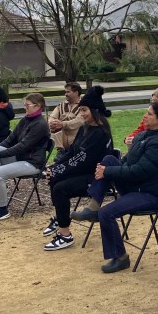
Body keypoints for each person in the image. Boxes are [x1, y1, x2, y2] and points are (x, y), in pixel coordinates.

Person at [77, 102, 158, 272]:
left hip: (149, 194)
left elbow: (139, 171)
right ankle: (93, 207)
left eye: (149, 114)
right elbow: (127, 161)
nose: (145, 116)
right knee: (110, 159)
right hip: (135, 187)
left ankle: (121, 258)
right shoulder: (143, 136)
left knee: (106, 213)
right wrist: (107, 169)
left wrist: (108, 172)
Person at [42, 87, 114, 251]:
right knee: (55, 178)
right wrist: (54, 168)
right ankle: (61, 219)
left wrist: (58, 170)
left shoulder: (101, 133)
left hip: (97, 179)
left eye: (84, 110)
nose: (82, 113)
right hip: (83, 171)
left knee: (60, 188)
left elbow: (83, 160)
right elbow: (72, 152)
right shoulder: (84, 128)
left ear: (95, 111)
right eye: (81, 110)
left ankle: (65, 235)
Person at [0, 93, 51, 221]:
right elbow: (10, 139)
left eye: (27, 105)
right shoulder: (26, 119)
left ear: (38, 106)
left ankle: (3, 209)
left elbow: (23, 146)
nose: (25, 107)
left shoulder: (40, 124)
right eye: (25, 104)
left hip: (32, 163)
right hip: (21, 157)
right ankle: (0, 188)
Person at [48, 82, 83, 151]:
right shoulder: (61, 105)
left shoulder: (83, 106)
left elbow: (79, 121)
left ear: (76, 93)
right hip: (62, 140)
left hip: (77, 139)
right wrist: (52, 122)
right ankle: (60, 150)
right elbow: (52, 117)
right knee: (53, 127)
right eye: (65, 92)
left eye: (68, 92)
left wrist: (62, 124)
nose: (65, 94)